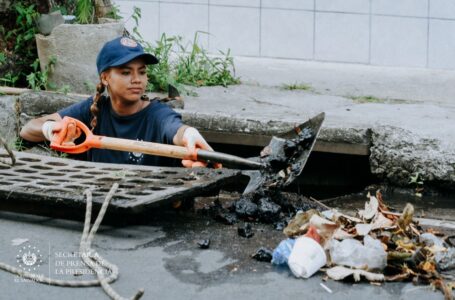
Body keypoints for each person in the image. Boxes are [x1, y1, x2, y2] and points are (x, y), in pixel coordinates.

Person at [20, 36, 215, 168]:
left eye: (142, 71)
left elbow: (175, 128)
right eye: (126, 72)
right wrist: (53, 129)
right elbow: (28, 129)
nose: (137, 79)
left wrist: (189, 134)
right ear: (105, 78)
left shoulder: (157, 114)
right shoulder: (94, 109)